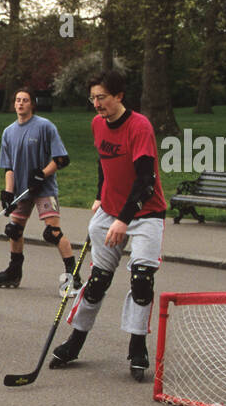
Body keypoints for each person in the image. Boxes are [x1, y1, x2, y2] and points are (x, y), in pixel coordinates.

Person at [50, 70, 165, 381]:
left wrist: (123, 220)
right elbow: (104, 162)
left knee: (141, 280)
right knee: (98, 280)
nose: (96, 104)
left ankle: (137, 345)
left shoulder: (140, 127)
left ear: (119, 96)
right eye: (93, 98)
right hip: (109, 212)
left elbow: (146, 181)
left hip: (145, 214)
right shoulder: (97, 124)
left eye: (102, 97)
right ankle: (75, 342)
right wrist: (101, 196)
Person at [0, 86, 82, 291]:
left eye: (25, 100)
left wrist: (42, 174)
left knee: (52, 233)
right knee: (14, 230)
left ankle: (73, 277)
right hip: (22, 190)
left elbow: (61, 159)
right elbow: (9, 166)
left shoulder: (44, 126)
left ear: (32, 104)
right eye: (17, 100)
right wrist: (8, 192)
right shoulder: (8, 132)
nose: (20, 103)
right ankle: (14, 272)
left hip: (44, 188)